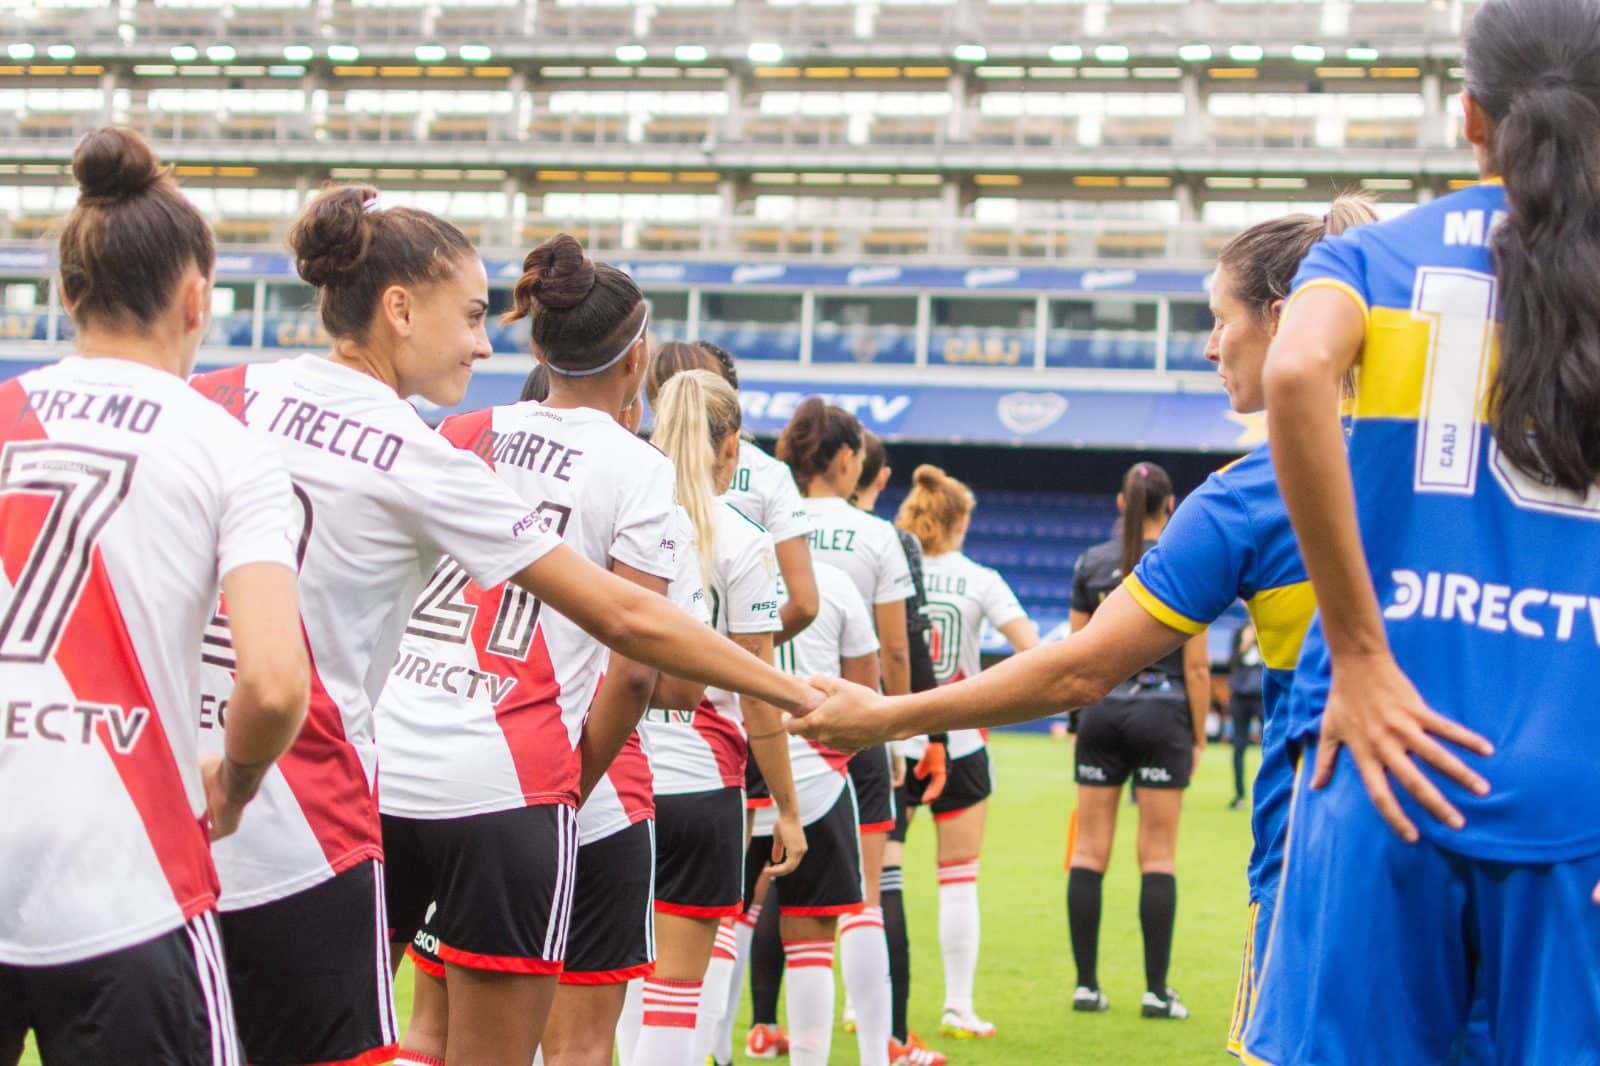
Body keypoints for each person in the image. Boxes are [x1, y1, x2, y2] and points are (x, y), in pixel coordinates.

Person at [188, 195, 818, 1066]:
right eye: (474, 316)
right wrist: (793, 689)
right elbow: (631, 630)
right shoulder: (425, 455)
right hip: (397, 797)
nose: (485, 344)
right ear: (399, 308)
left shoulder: (233, 396)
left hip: (236, 790)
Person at [1243, 1, 1600, 1059]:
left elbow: (1296, 367)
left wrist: (1356, 648)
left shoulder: (1378, 257)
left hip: (1382, 764)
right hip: (1574, 788)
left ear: (1469, 117)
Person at [0, 127, 309, 1065]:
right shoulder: (229, 448)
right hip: (130, 884)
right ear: (195, 298)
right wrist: (241, 779)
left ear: (66, 295)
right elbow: (272, 685)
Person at [368, 232, 683, 1066]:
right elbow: (638, 667)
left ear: (538, 347)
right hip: (510, 780)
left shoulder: (462, 427)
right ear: (636, 355)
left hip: (391, 763)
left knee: (368, 1034)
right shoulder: (640, 469)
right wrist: (567, 793)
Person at [626, 367, 807, 1066]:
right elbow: (759, 689)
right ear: (730, 446)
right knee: (677, 1002)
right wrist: (786, 809)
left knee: (604, 986)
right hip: (701, 784)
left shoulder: (623, 512)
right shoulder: (741, 536)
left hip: (613, 775)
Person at [895, 464, 1040, 1040]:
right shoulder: (980, 578)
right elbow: (1030, 650)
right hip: (960, 743)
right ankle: (958, 1006)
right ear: (958, 521)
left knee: (879, 878)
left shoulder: (891, 565)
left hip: (895, 740)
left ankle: (867, 1003)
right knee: (958, 878)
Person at [1060, 463, 1208, 1019]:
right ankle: (1154, 991)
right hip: (1162, 712)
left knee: (1088, 851)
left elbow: (1075, 655)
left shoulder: (1091, 564)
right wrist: (1197, 733)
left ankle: (1086, 986)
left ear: (1123, 504)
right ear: (1168, 507)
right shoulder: (1184, 560)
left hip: (1101, 713)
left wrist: (1077, 723)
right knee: (1158, 856)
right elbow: (1196, 668)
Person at [853, 433, 948, 1066]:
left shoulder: (779, 517)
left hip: (779, 720)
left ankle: (755, 1029)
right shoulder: (889, 542)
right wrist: (923, 735)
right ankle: (892, 1036)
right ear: (874, 474)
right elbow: (905, 644)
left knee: (772, 878)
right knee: (881, 880)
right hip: (866, 724)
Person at [646, 341, 818, 645]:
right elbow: (804, 603)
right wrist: (735, 652)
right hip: (726, 675)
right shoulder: (767, 475)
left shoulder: (632, 472)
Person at [1227, 625, 1264, 811]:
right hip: (1240, 696)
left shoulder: (1267, 627)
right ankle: (1239, 794)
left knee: (1269, 744)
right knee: (1238, 746)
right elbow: (1231, 663)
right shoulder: (1239, 631)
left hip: (1261, 695)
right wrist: (1245, 644)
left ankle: (1268, 792)